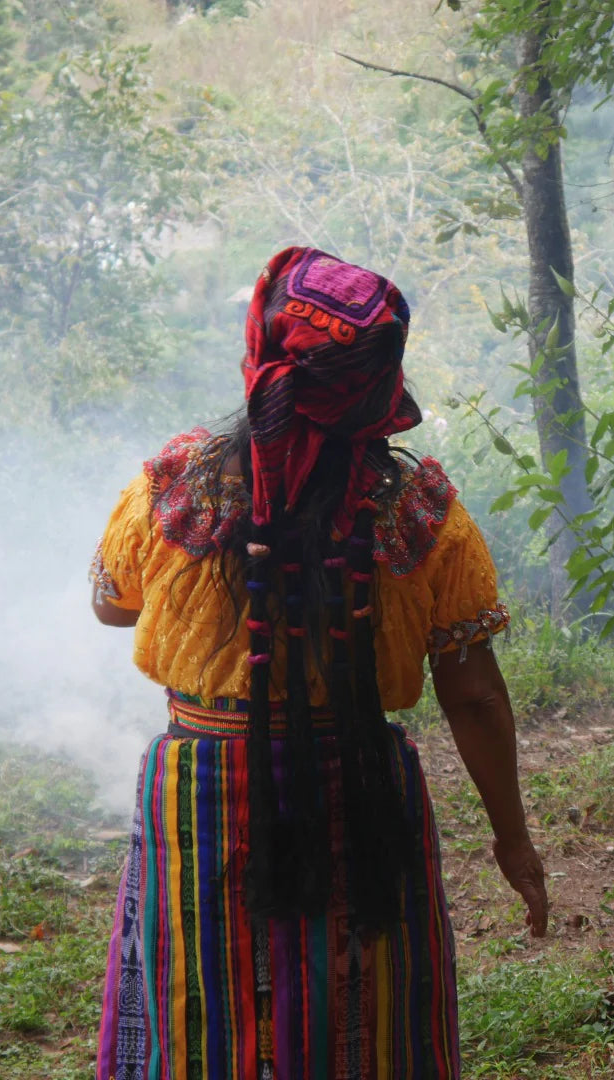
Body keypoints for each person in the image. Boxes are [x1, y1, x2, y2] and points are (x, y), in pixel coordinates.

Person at [90, 247, 547, 1080]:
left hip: (199, 789)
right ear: (378, 384)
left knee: (197, 1012)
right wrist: (512, 840)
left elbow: (111, 603)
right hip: (361, 786)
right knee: (370, 1018)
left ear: (262, 355)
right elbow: (474, 697)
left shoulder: (172, 484)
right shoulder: (419, 510)